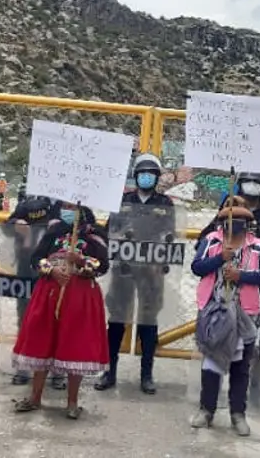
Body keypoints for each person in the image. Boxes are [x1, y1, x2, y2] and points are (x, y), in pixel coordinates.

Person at [11, 201, 110, 420]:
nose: (68, 210)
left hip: (80, 296)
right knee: (42, 342)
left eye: (72, 207)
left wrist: (81, 261)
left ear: (83, 209)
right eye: (65, 206)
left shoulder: (95, 234)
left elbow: (103, 265)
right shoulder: (53, 231)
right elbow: (36, 259)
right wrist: (52, 270)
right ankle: (35, 398)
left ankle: (72, 403)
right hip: (49, 293)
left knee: (76, 345)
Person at [199, 172, 260, 412]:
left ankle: (254, 390)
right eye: (248, 182)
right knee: (216, 340)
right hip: (221, 294)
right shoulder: (227, 209)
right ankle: (211, 398)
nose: (252, 187)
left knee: (255, 344)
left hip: (255, 293)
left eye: (256, 183)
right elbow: (203, 241)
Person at [189, 199, 260, 435]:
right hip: (214, 310)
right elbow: (197, 267)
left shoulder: (257, 246)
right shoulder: (211, 241)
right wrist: (219, 259)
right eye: (231, 221)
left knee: (241, 365)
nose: (234, 227)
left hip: (245, 313)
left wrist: (241, 275)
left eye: (241, 222)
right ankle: (207, 410)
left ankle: (238, 413)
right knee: (211, 361)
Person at [96, 153, 175, 394]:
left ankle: (147, 374)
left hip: (151, 273)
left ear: (157, 178)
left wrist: (162, 257)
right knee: (117, 322)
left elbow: (170, 234)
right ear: (135, 176)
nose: (146, 178)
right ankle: (109, 371)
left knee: (148, 323)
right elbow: (110, 231)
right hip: (124, 271)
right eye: (142, 174)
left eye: (151, 174)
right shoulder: (122, 201)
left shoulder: (165, 204)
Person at [0, 195, 65, 388]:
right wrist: (16, 223)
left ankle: (58, 372)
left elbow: (90, 228)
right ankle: (23, 367)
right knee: (26, 318)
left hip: (60, 272)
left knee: (58, 319)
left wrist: (62, 226)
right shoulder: (29, 203)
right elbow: (7, 225)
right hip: (27, 269)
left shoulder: (72, 203)